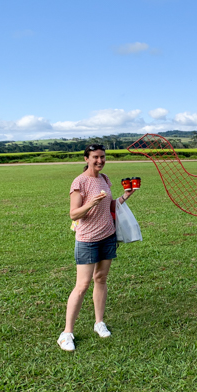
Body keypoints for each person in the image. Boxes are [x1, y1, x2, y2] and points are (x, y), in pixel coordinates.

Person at [58, 144, 134, 352]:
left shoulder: (105, 179)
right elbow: (74, 214)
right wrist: (90, 203)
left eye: (102, 157)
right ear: (86, 159)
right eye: (95, 157)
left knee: (100, 279)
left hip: (108, 236)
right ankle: (66, 333)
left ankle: (99, 323)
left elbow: (109, 206)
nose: (100, 160)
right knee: (82, 285)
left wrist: (125, 196)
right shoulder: (79, 182)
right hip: (88, 239)